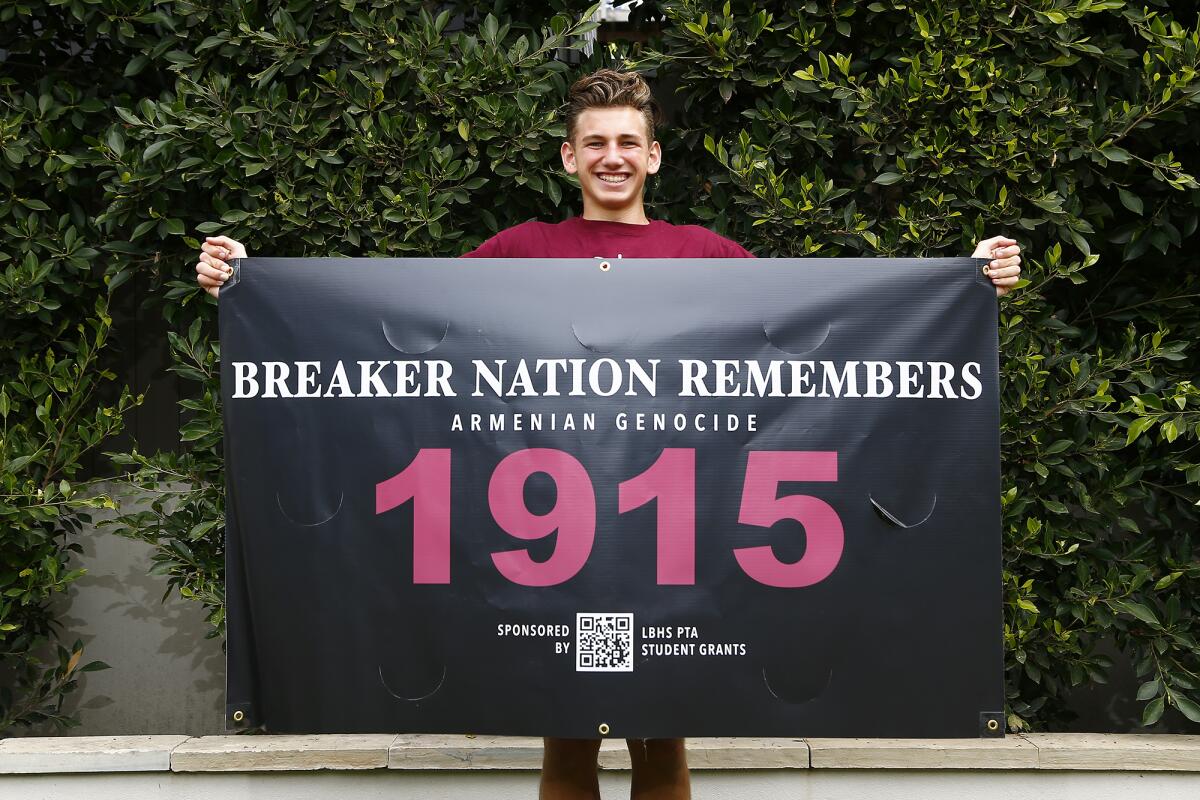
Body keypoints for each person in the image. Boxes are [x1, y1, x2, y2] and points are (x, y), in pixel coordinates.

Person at [194, 69, 1022, 799]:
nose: (614, 156)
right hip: (559, 547)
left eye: (630, 141)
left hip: (682, 548)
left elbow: (819, 338)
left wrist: (968, 280)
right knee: (565, 745)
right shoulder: (520, 252)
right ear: (568, 158)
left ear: (654, 157)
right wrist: (246, 284)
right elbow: (401, 332)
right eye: (596, 142)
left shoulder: (706, 255)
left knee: (664, 746)